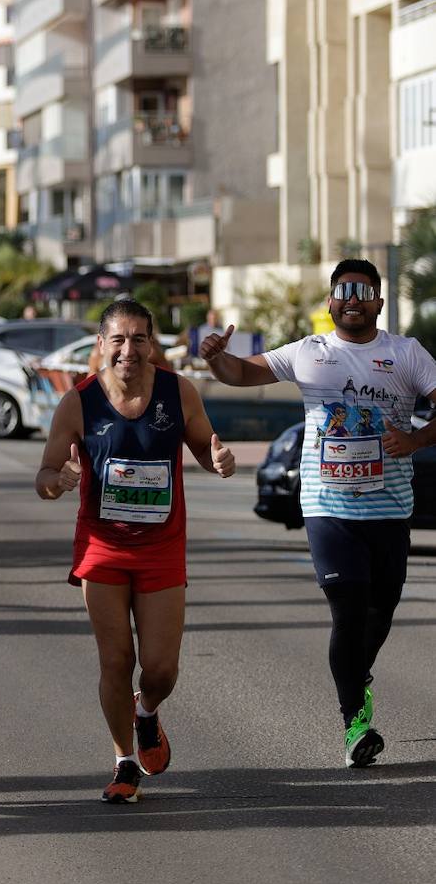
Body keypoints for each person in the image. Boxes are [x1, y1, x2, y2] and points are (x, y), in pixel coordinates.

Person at [201, 259, 436, 768]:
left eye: (363, 291)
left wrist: (416, 439)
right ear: (330, 302)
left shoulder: (406, 354)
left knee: (380, 612)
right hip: (327, 505)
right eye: (343, 290)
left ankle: (357, 677)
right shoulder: (310, 353)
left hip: (390, 508)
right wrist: (218, 359)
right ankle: (355, 722)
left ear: (378, 300)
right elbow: (242, 373)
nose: (352, 299)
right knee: (348, 611)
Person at [36, 298, 235, 805]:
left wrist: (218, 460)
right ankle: (124, 759)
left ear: (153, 345)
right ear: (101, 345)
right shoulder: (78, 401)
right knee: (115, 658)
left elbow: (205, 450)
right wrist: (59, 480)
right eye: (118, 339)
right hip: (102, 546)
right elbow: (44, 477)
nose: (129, 349)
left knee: (161, 668)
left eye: (139, 339)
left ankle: (146, 712)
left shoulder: (178, 391)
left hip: (162, 547)